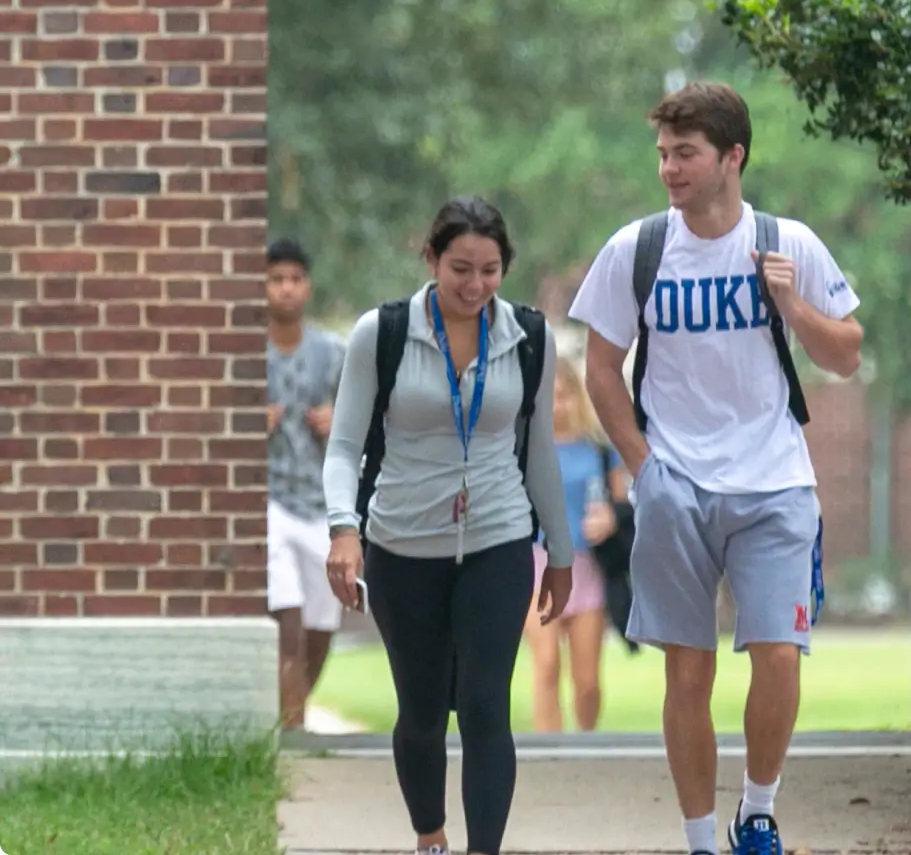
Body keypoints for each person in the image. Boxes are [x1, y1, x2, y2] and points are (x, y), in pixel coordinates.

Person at [568, 80, 863, 855]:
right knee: (687, 676)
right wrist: (644, 466)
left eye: (686, 154)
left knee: (778, 655)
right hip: (677, 488)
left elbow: (847, 353)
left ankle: (756, 814)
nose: (669, 169)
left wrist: (794, 308)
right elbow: (601, 367)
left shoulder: (786, 242)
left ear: (733, 157)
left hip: (775, 484)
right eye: (663, 154)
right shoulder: (637, 250)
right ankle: (701, 840)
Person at [320, 197, 575, 855]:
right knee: (425, 711)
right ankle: (430, 836)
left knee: (487, 702)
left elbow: (540, 450)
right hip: (403, 545)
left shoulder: (528, 336)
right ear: (431, 259)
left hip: (499, 536)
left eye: (490, 270)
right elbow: (344, 446)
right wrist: (343, 529)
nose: (475, 285)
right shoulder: (382, 333)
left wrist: (563, 552)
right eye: (460, 268)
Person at [265, 237, 347, 731]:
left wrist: (338, 420)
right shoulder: (247, 355)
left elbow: (365, 422)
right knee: (286, 616)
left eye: (295, 279)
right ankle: (292, 732)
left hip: (321, 503)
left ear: (308, 287)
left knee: (320, 628)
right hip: (271, 501)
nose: (287, 289)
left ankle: (287, 718)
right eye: (276, 280)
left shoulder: (332, 354)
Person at [523, 359, 630, 732]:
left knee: (587, 683)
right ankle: (549, 752)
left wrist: (611, 518)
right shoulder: (524, 449)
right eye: (547, 398)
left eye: (563, 396)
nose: (557, 406)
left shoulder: (600, 451)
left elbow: (624, 507)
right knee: (548, 664)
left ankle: (586, 744)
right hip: (539, 566)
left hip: (588, 567)